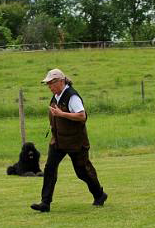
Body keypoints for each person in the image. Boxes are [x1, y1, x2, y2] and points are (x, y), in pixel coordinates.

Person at [30, 69, 107, 213]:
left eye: (51, 83)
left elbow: (82, 116)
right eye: (48, 84)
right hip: (58, 141)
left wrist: (61, 114)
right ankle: (45, 203)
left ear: (61, 81)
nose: (49, 87)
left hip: (75, 141)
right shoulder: (55, 96)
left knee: (82, 171)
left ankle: (99, 194)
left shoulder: (72, 97)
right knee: (49, 169)